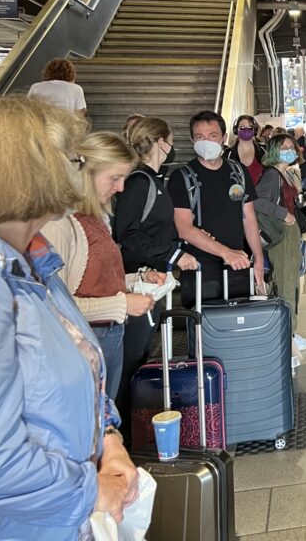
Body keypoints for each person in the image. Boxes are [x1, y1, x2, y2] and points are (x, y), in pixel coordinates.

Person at [0, 96, 139, 539]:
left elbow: (76, 369)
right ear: (32, 170)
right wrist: (89, 490)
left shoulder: (35, 264)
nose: (81, 169)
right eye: (74, 157)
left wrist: (109, 441)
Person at [43, 133, 162, 400]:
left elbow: (97, 277)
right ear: (87, 174)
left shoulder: (97, 218)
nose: (120, 188)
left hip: (109, 333)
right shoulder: (59, 225)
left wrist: (136, 279)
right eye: (114, 178)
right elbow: (53, 307)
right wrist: (122, 305)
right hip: (85, 339)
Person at [114, 117, 199, 438]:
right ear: (160, 142)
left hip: (152, 279)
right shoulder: (139, 182)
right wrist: (173, 255)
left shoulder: (153, 179)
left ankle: (130, 431)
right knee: (131, 358)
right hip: (138, 280)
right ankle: (121, 436)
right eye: (171, 139)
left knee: (141, 353)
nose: (172, 146)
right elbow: (128, 233)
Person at [168, 110, 266, 305]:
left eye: (212, 136)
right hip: (199, 270)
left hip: (238, 265)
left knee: (240, 324)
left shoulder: (238, 172)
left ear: (224, 138)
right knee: (202, 329)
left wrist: (259, 259)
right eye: (199, 137)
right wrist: (226, 253)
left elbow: (248, 218)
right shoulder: (182, 178)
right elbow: (184, 229)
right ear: (191, 140)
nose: (206, 141)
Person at [257, 134, 306, 351]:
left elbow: (289, 202)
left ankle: (291, 331)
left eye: (292, 146)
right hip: (282, 236)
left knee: (292, 282)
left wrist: (304, 207)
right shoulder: (272, 175)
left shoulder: (286, 174)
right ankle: (287, 335)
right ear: (273, 150)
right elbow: (257, 201)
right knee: (285, 282)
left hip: (291, 232)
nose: (289, 150)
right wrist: (283, 214)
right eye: (283, 147)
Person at [225, 114, 266, 185]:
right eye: (242, 127)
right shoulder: (228, 153)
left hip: (263, 194)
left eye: (250, 128)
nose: (246, 130)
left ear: (255, 130)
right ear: (236, 130)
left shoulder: (264, 150)